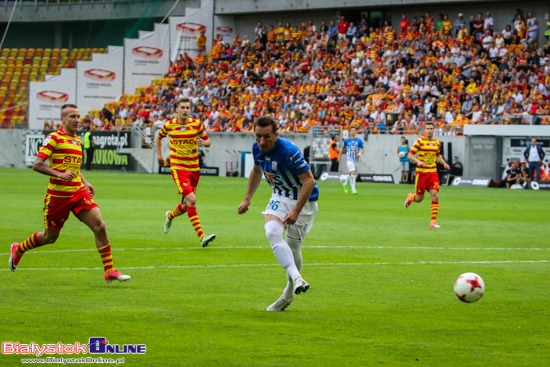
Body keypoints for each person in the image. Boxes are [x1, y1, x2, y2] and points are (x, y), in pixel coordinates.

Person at [8, 104, 131, 283]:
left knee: (100, 226)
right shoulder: (53, 138)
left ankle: (109, 270)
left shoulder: (78, 140)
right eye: (72, 116)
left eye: (78, 116)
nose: (76, 120)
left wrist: (86, 183)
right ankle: (19, 249)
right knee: (50, 237)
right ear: (62, 120)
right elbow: (37, 164)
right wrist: (59, 174)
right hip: (58, 196)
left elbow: (75, 169)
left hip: (78, 192)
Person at [238, 116, 319, 312]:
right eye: (258, 136)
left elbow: (309, 181)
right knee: (272, 232)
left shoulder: (289, 152)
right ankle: (297, 277)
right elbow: (256, 170)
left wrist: (296, 210)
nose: (262, 142)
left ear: (276, 134)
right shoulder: (257, 148)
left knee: (293, 248)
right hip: (280, 195)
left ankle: (289, 292)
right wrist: (247, 198)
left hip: (303, 201)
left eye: (267, 137)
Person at [156, 97, 215, 247]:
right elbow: (159, 137)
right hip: (178, 167)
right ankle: (202, 237)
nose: (185, 110)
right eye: (182, 107)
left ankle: (169, 216)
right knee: (192, 200)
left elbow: (208, 141)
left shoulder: (196, 124)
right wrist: (159, 156)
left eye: (188, 108)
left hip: (194, 168)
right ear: (176, 109)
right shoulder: (169, 125)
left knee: (185, 205)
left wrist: (204, 143)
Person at [404, 121, 450, 228]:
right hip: (421, 174)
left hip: (433, 173)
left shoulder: (437, 143)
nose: (429, 131)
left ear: (434, 130)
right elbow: (410, 155)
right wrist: (418, 161)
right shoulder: (419, 142)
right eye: (427, 129)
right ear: (424, 130)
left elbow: (438, 156)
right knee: (419, 199)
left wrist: (444, 163)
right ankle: (410, 197)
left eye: (431, 129)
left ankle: (433, 221)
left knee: (435, 196)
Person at [338, 127, 364, 194]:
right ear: (349, 132)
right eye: (351, 131)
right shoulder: (347, 141)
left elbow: (363, 149)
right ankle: (353, 189)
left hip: (356, 160)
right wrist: (339, 156)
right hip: (349, 159)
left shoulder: (359, 140)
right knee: (353, 172)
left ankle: (345, 184)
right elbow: (342, 148)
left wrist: (360, 153)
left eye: (354, 130)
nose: (353, 132)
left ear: (356, 132)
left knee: (351, 173)